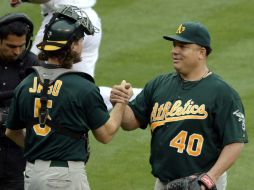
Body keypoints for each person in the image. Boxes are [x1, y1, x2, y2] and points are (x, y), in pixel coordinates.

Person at [5, 5, 132, 190]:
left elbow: (12, 132)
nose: (82, 45)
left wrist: (40, 148)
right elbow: (106, 134)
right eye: (80, 41)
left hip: (32, 175)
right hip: (63, 177)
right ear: (72, 46)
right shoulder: (82, 87)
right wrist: (121, 102)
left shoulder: (25, 84)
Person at [110, 21, 248, 190]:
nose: (175, 51)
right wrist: (121, 103)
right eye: (174, 46)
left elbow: (235, 142)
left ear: (201, 52)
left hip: (201, 184)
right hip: (163, 182)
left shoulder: (222, 93)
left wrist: (209, 179)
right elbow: (130, 122)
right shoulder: (159, 84)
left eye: (183, 46)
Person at [10, 0, 142, 111]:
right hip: (88, 18)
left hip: (63, 22)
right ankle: (139, 96)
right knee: (79, 91)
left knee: (30, 80)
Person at [0, 13, 38, 190]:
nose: (16, 51)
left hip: (17, 162)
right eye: (10, 46)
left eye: (21, 46)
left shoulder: (32, 64)